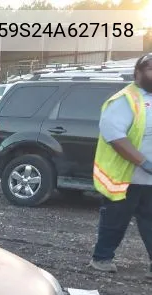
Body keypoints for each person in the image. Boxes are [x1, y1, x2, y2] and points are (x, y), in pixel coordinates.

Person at [90, 53, 152, 279]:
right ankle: (102, 258)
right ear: (138, 73)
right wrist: (144, 162)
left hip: (149, 180)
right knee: (115, 221)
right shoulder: (125, 99)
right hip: (125, 178)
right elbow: (115, 136)